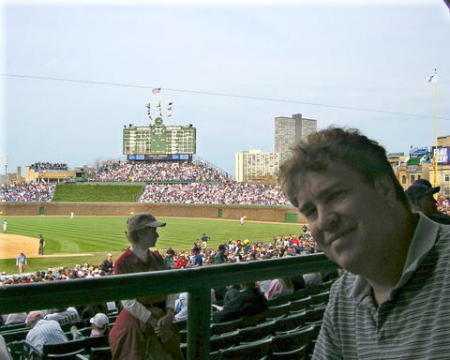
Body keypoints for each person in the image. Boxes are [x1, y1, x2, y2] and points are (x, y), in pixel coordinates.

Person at [279, 127, 450, 359]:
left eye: (335, 195)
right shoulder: (344, 293)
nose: (324, 221)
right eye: (310, 211)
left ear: (384, 189)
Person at [108, 213, 183, 360]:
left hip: (161, 318)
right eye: (153, 231)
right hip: (136, 325)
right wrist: (155, 323)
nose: (157, 235)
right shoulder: (122, 263)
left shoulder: (157, 257)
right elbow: (128, 301)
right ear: (141, 234)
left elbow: (170, 287)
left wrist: (169, 313)